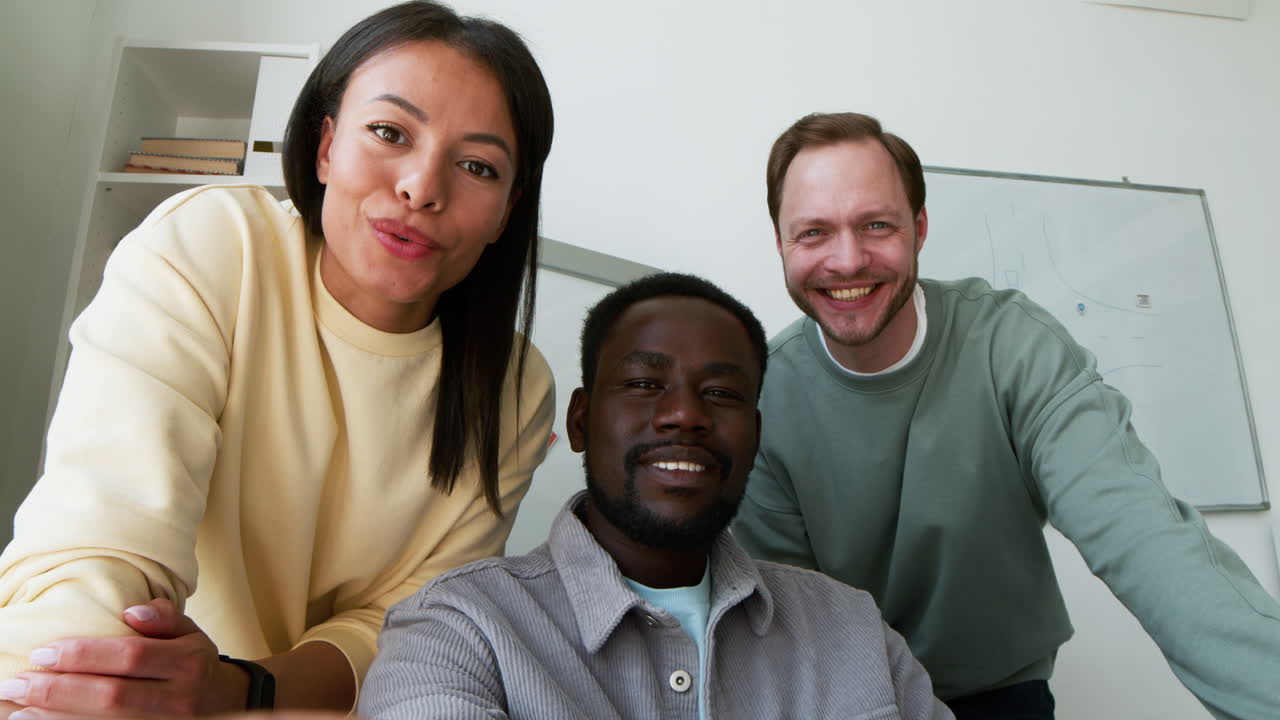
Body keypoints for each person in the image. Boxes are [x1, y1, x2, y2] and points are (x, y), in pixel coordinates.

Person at [0, 2, 556, 716]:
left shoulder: (514, 389)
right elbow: (103, 535)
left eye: (477, 166)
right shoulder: (213, 244)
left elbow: (407, 628)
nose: (422, 187)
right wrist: (84, 680)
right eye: (389, 132)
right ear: (326, 146)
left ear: (508, 209)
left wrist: (240, 686)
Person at [731, 111, 1280, 719]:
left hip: (1005, 692)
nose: (847, 260)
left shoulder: (1014, 346)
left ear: (919, 228)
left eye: (876, 224)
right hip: (854, 695)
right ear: (780, 243)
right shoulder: (760, 398)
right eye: (813, 234)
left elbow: (1148, 540)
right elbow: (798, 625)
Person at [357, 272, 954, 720]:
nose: (684, 415)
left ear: (755, 435)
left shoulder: (852, 627)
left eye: (721, 394)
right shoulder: (461, 628)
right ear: (581, 421)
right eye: (644, 384)